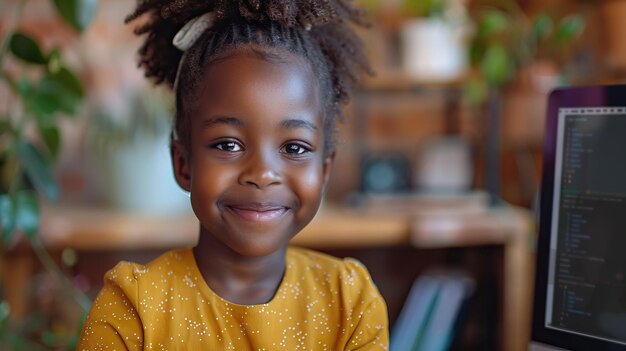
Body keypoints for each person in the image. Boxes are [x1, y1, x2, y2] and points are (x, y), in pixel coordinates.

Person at [78, 0, 388, 349]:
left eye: (295, 148)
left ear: (324, 170)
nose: (262, 173)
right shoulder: (132, 309)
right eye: (228, 145)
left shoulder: (350, 302)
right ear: (183, 163)